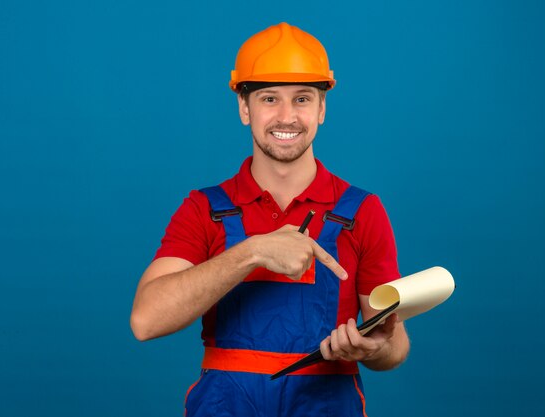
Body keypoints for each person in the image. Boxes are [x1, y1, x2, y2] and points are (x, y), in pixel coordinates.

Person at [130, 22, 410, 416]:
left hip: (328, 403)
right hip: (225, 405)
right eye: (268, 98)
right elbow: (146, 320)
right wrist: (252, 252)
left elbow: (395, 346)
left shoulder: (361, 212)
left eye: (301, 99)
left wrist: (375, 347)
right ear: (245, 108)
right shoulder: (204, 210)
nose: (286, 116)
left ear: (322, 108)